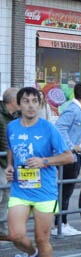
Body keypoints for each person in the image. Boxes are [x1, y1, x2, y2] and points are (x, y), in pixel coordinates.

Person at [5, 87, 75, 257]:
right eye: (25, 101)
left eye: (34, 101)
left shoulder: (48, 128)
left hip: (45, 192)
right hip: (20, 190)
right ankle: (34, 255)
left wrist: (44, 161)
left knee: (42, 237)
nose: (30, 105)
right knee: (16, 236)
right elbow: (11, 148)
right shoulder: (12, 127)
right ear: (19, 105)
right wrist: (9, 166)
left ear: (40, 105)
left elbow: (69, 157)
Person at [54, 82, 81, 236]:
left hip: (76, 156)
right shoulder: (73, 110)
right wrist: (71, 145)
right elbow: (59, 127)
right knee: (65, 191)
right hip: (69, 156)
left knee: (67, 191)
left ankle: (62, 223)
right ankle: (60, 224)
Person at [1, 87, 21, 234]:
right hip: (0, 162)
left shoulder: (17, 116)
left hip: (12, 162)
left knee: (7, 196)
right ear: (13, 101)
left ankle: (2, 228)